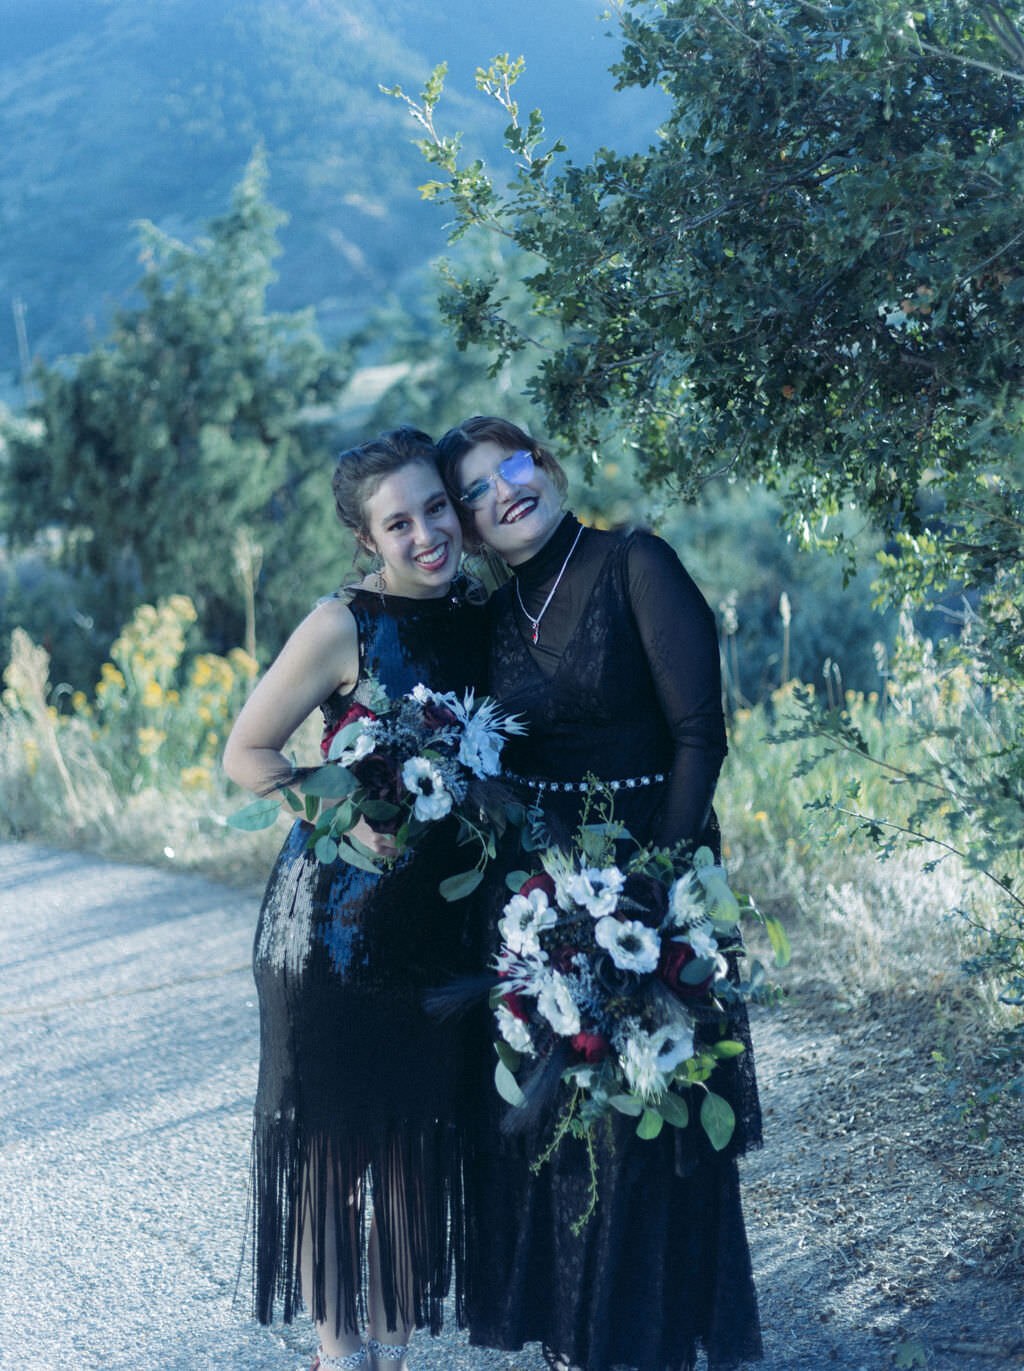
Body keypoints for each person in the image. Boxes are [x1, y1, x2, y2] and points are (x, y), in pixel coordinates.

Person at [437, 416, 763, 1371]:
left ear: (546, 464)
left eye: (515, 463)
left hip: (652, 896)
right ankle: (584, 1344)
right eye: (478, 489)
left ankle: (652, 1346)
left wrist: (648, 894)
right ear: (467, 523)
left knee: (646, 1124)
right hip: (539, 908)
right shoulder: (491, 622)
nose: (506, 490)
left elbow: (701, 734)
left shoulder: (635, 565)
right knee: (564, 1129)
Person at [223, 427, 487, 1371]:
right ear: (366, 539)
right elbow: (246, 755)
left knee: (415, 1152)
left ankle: (392, 1352)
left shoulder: (488, 612)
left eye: (436, 508)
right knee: (335, 1158)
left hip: (439, 933)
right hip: (328, 930)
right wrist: (337, 815)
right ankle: (341, 1356)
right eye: (398, 522)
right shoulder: (343, 624)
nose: (426, 534)